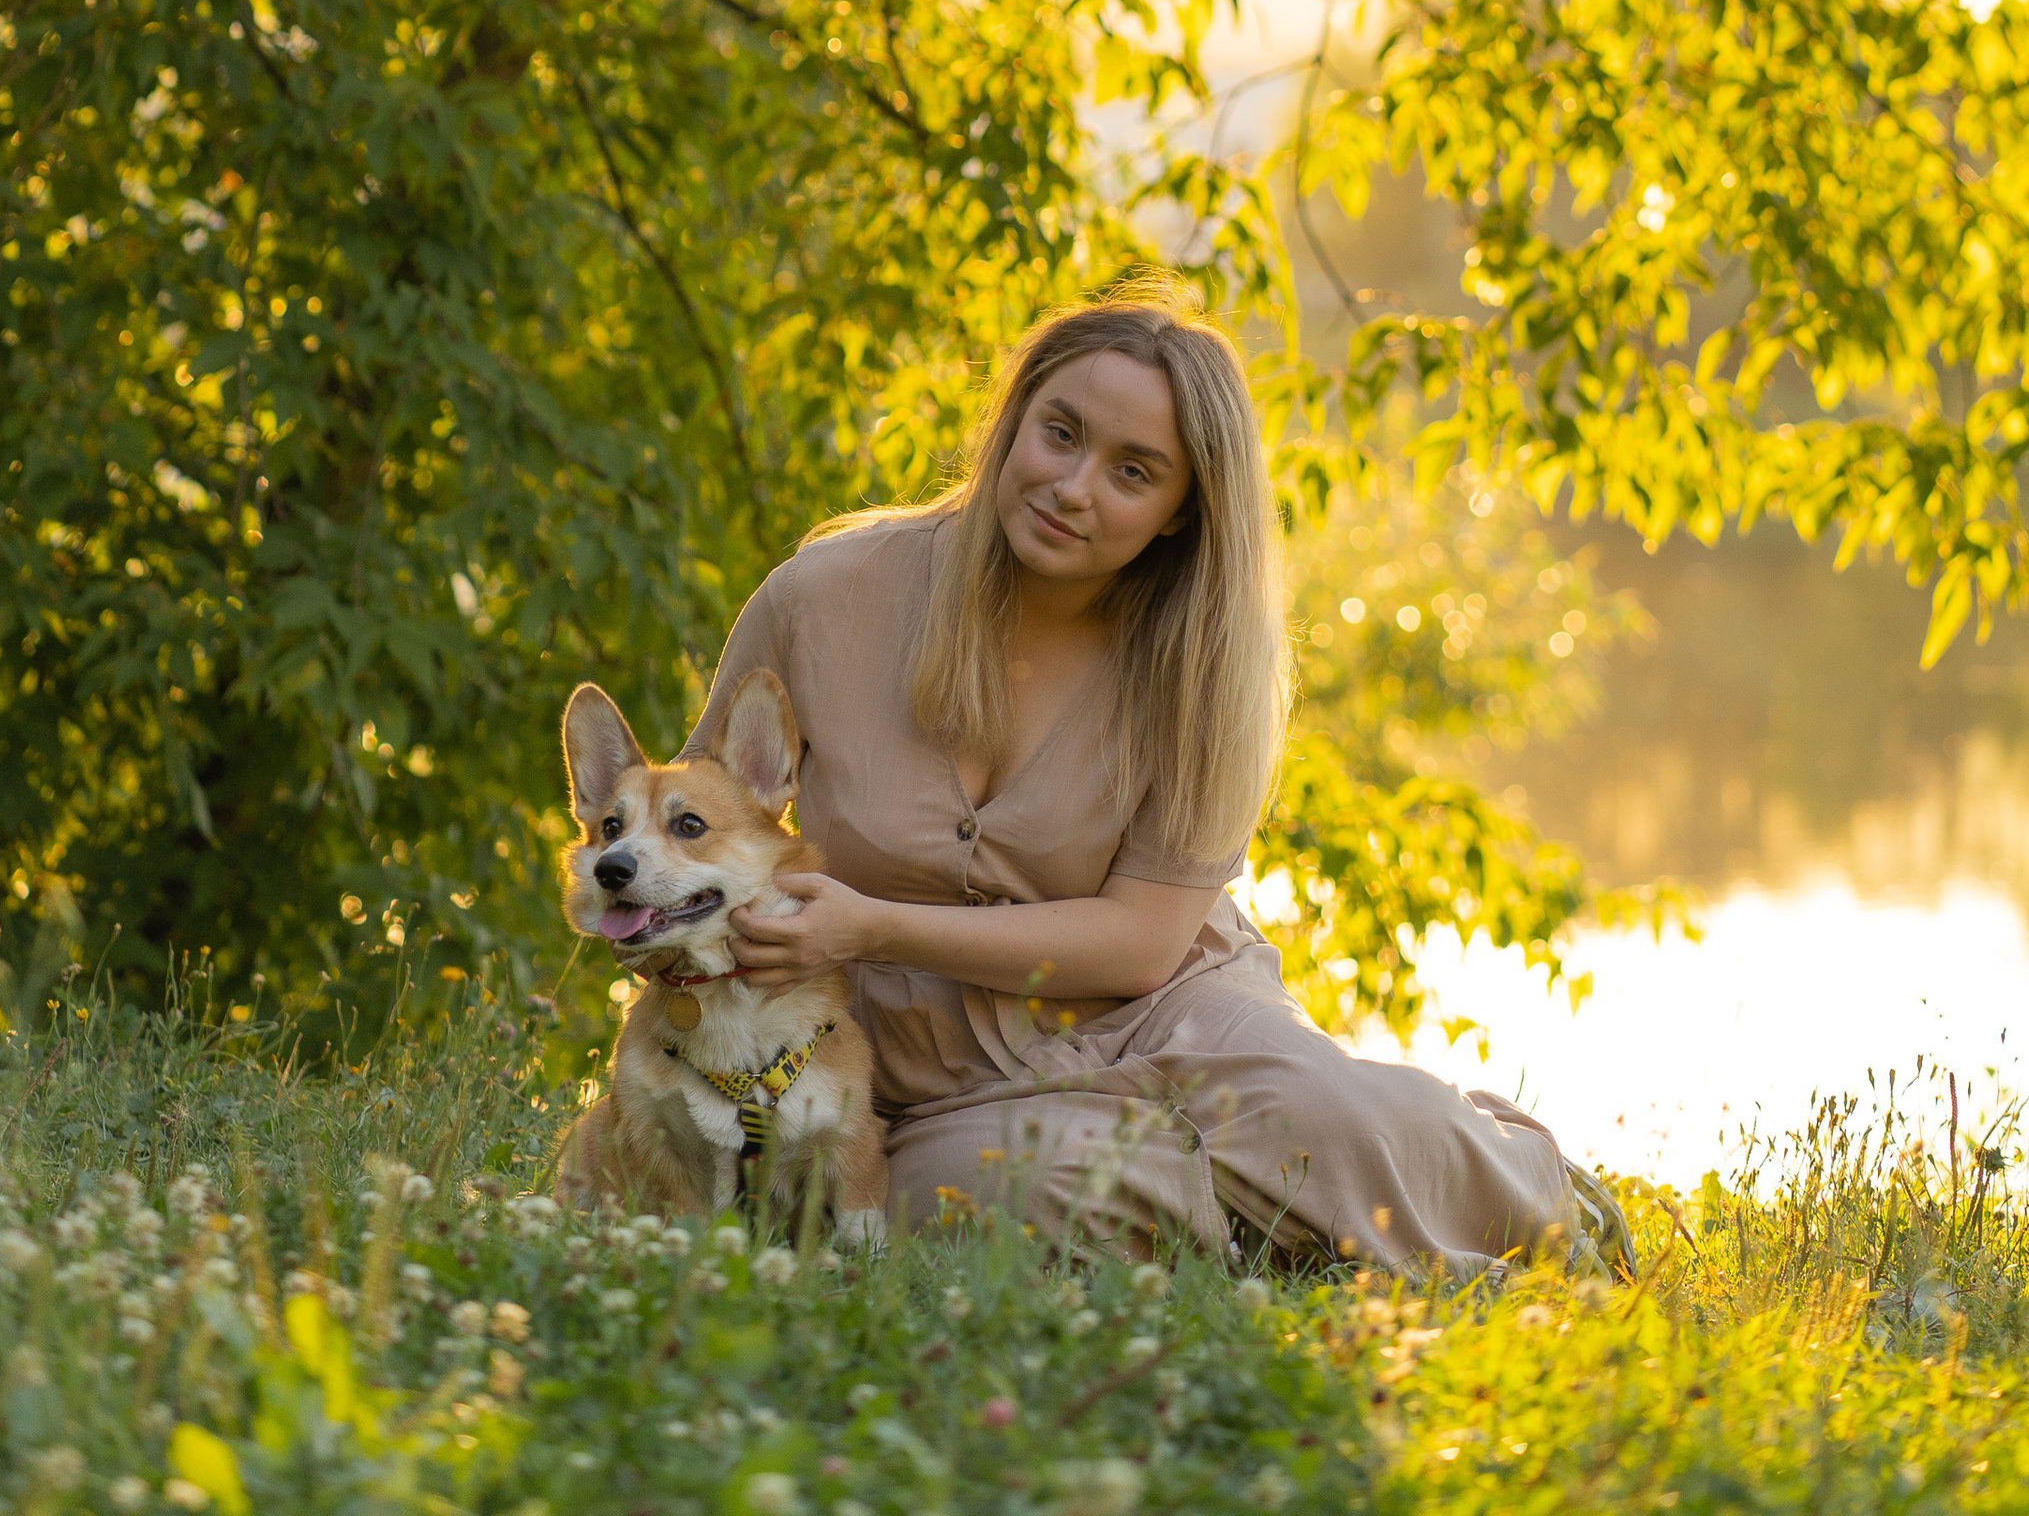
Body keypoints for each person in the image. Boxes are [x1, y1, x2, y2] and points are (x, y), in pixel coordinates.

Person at [684, 295, 1618, 1278]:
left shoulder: (1210, 665)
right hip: (923, 1070)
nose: (1073, 487)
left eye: (1132, 473)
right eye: (1060, 435)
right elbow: (695, 832)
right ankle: (1276, 1228)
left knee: (1327, 1112)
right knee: (975, 1204)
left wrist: (872, 926)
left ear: (1181, 513)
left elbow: (1139, 943)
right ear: (1012, 424)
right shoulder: (821, 597)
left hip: (1168, 1007)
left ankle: (1529, 1196)